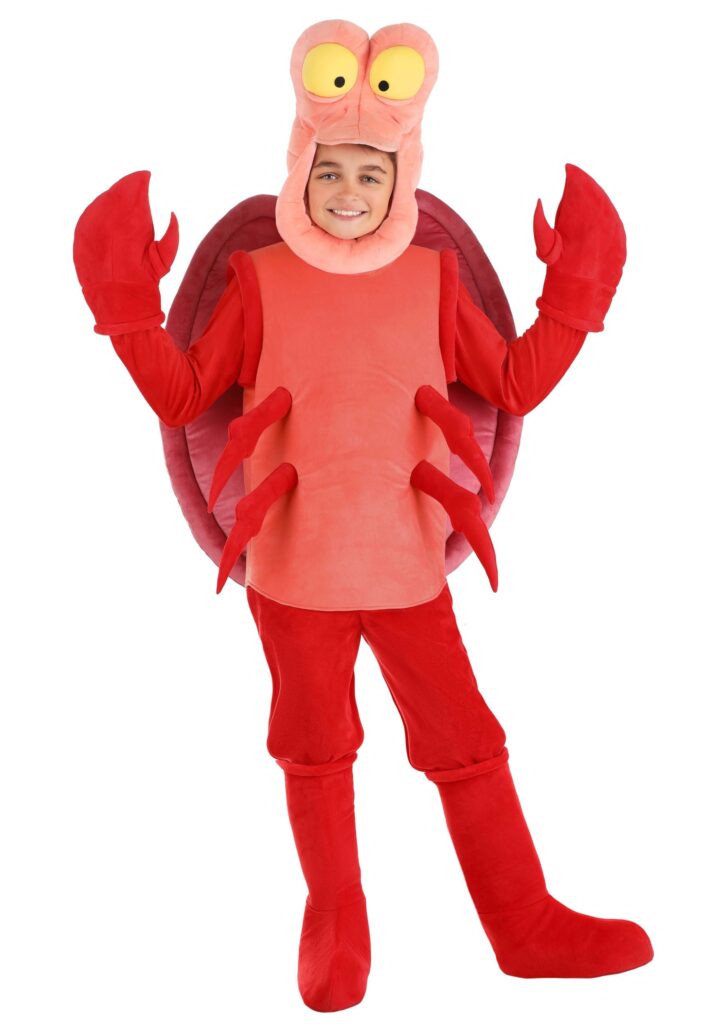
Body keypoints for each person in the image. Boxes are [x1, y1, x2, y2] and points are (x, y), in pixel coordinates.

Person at [73, 20, 653, 1014]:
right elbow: (187, 394)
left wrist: (575, 288)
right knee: (313, 743)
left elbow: (511, 380)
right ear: (300, 168)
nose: (349, 191)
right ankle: (336, 924)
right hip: (292, 573)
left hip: (405, 567)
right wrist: (126, 304)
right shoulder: (259, 279)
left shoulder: (432, 279)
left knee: (465, 737)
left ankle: (523, 925)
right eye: (331, 171)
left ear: (402, 179)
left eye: (371, 175)